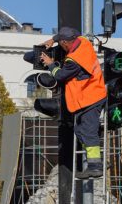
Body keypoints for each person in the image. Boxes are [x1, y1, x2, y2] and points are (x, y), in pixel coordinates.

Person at [40, 26, 107, 179]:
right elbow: (66, 36)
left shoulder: (74, 61)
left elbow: (60, 76)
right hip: (93, 94)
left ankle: (95, 167)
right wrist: (53, 39)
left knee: (88, 132)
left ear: (65, 43)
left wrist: (50, 64)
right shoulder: (84, 42)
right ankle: (97, 162)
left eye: (61, 43)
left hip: (91, 97)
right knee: (80, 131)